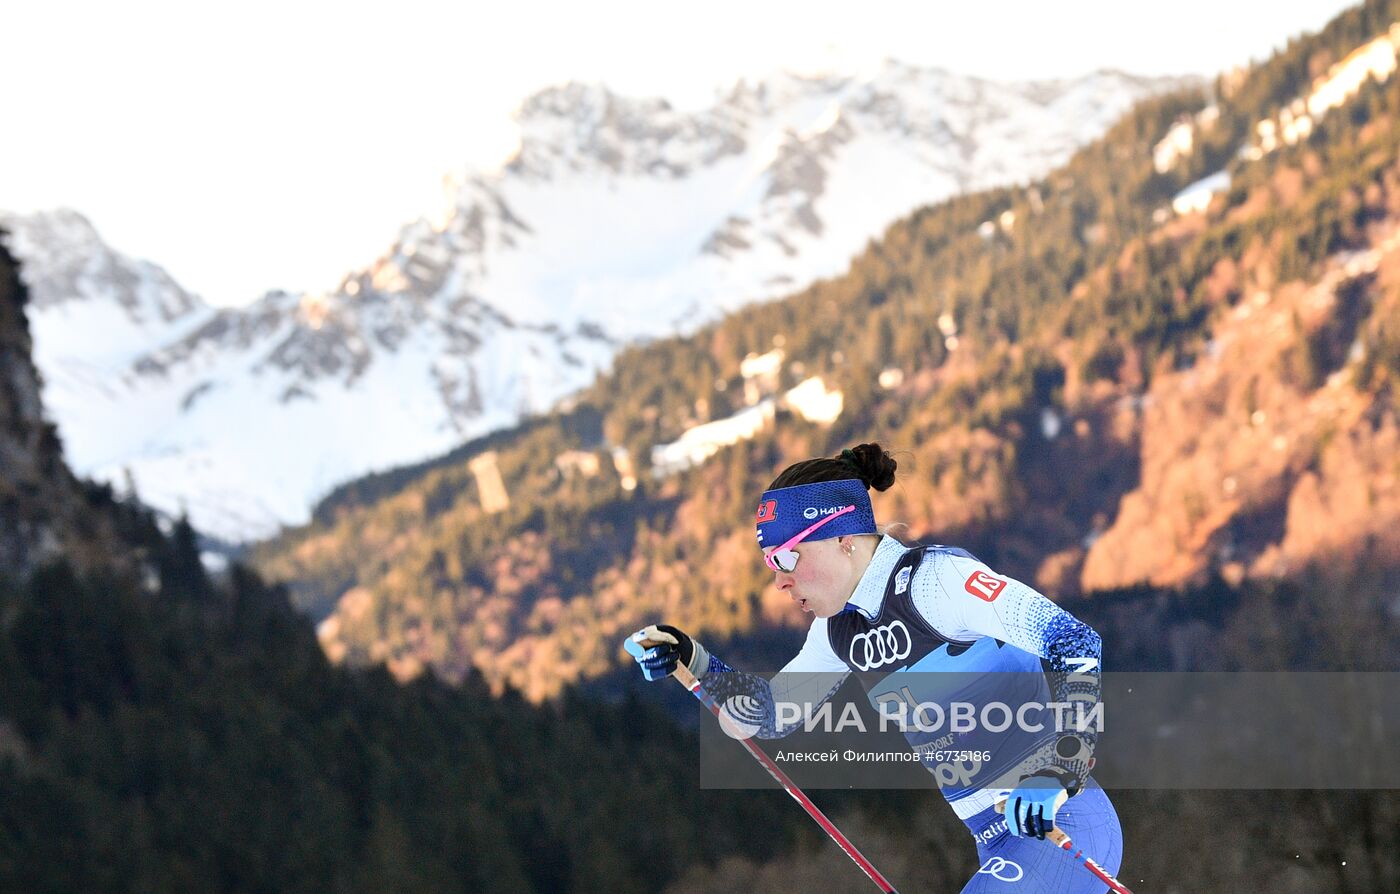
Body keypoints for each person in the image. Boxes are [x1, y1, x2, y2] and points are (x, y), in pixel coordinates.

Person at [627, 443, 1123, 892]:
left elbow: (1073, 640)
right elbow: (774, 714)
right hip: (995, 841)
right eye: (769, 563)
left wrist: (1064, 766)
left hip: (1065, 825)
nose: (779, 581)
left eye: (785, 558)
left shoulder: (937, 582)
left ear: (842, 538)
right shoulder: (837, 630)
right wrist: (693, 658)